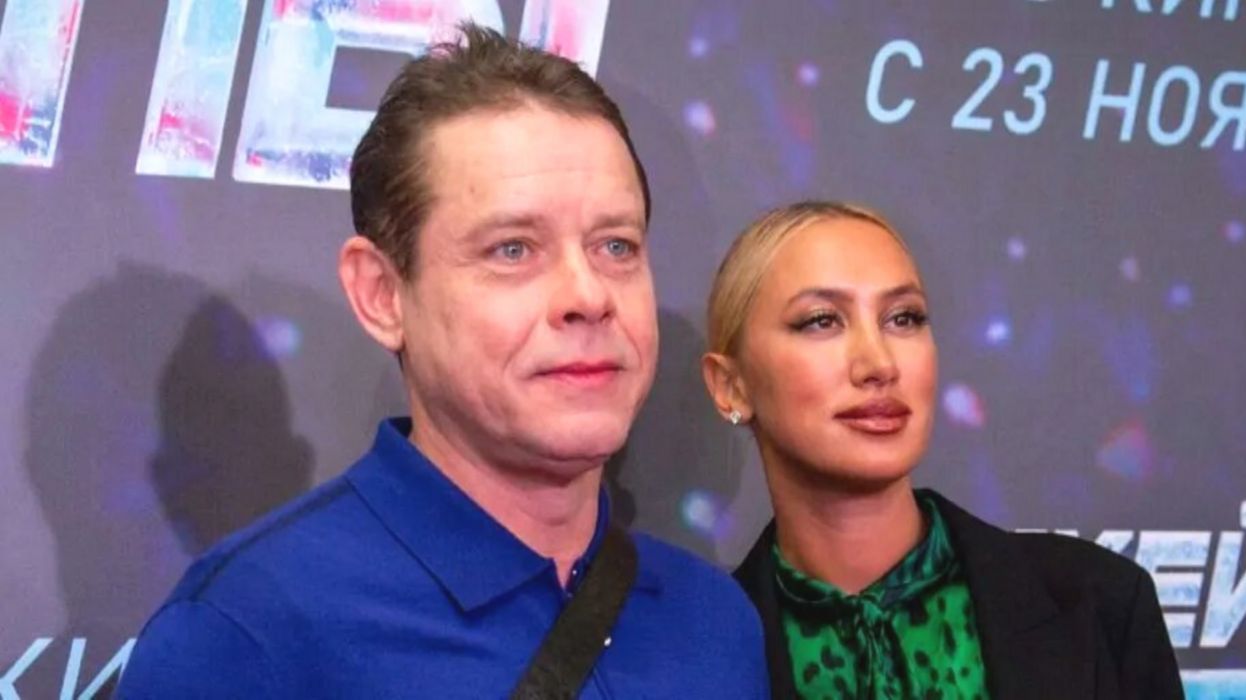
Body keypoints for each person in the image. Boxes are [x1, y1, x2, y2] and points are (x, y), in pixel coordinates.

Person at [117, 24, 768, 698]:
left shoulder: (714, 623)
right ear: (382, 295)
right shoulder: (248, 635)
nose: (589, 296)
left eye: (616, 246)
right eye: (513, 249)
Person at [703, 201, 1184, 699]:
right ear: (730, 386)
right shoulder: (698, 660)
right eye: (822, 321)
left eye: (903, 318)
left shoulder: (1098, 603)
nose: (879, 363)